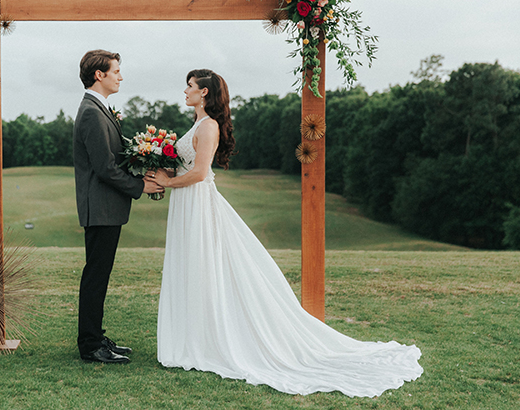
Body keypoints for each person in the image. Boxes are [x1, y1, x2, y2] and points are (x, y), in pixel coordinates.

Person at [151, 69, 423, 397]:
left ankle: (206, 338)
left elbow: (198, 173)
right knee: (191, 266)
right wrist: (162, 169)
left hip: (197, 203)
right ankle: (193, 333)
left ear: (205, 93)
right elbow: (184, 166)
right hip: (187, 205)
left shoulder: (208, 126)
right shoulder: (198, 124)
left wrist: (168, 182)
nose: (185, 91)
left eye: (190, 86)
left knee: (203, 265)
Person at [73, 49, 163, 364]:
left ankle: (95, 337)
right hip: (99, 207)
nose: (120, 76)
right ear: (99, 75)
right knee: (96, 275)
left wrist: (143, 166)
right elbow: (104, 167)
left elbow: (115, 159)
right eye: (116, 71)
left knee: (99, 273)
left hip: (106, 207)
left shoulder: (100, 109)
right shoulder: (91, 112)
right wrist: (140, 186)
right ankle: (90, 345)